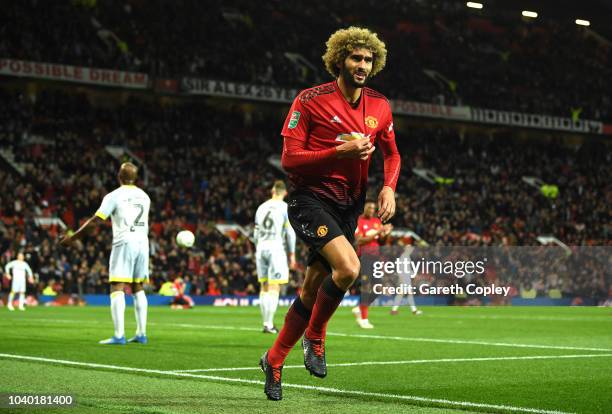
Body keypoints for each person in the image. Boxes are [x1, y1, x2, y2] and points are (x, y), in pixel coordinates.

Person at [259, 27, 401, 400]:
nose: (362, 65)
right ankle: (316, 335)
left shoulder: (380, 105)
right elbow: (289, 158)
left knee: (309, 291)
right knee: (349, 269)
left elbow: (393, 153)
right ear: (339, 59)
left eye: (368, 59)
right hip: (310, 199)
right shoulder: (309, 100)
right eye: (355, 58)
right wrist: (340, 152)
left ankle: (273, 360)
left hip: (349, 205)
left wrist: (389, 186)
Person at [60, 162, 151, 345]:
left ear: (119, 176)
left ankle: (119, 335)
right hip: (143, 242)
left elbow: (95, 222)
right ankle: (141, 334)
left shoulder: (114, 196)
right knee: (137, 286)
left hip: (124, 241)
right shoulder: (144, 196)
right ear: (136, 177)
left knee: (117, 286)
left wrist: (72, 238)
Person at [254, 180, 297, 334]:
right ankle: (269, 324)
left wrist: (257, 248)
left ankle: (266, 323)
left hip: (261, 247)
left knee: (264, 285)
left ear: (273, 191)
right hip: (275, 247)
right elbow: (291, 234)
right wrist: (292, 255)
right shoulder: (285, 208)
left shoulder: (261, 207)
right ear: (285, 193)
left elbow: (255, 233)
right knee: (274, 286)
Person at [352, 199, 392, 328]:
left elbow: (381, 242)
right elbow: (360, 241)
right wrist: (378, 232)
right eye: (368, 208)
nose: (371, 210)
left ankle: (360, 308)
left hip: (376, 258)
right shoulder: (358, 221)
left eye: (373, 208)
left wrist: (386, 234)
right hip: (364, 257)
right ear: (364, 208)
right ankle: (364, 319)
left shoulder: (376, 222)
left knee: (378, 288)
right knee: (366, 286)